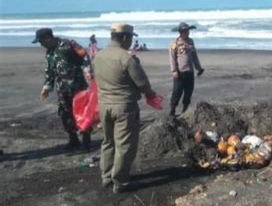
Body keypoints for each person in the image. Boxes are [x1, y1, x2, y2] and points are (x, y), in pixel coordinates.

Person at [93, 23, 156, 193]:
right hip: (124, 107)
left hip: (104, 105)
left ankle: (106, 177)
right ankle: (120, 181)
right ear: (126, 38)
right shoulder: (127, 58)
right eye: (130, 38)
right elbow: (142, 83)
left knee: (108, 142)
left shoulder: (98, 56)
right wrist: (151, 95)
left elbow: (94, 78)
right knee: (125, 145)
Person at [33, 28, 93, 150]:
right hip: (62, 88)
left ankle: (86, 140)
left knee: (82, 112)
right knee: (65, 113)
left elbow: (84, 55)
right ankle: (73, 139)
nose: (41, 44)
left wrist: (87, 70)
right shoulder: (49, 52)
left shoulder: (69, 44)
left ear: (48, 38)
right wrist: (47, 87)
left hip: (78, 85)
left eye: (41, 41)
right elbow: (49, 71)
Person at [169, 22, 204, 117]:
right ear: (181, 32)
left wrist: (199, 68)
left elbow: (194, 56)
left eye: (188, 30)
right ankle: (172, 110)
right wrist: (174, 70)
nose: (187, 32)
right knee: (177, 92)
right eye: (185, 31)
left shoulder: (191, 42)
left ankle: (184, 110)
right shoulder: (175, 43)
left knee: (188, 92)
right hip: (180, 72)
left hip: (190, 71)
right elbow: (172, 57)